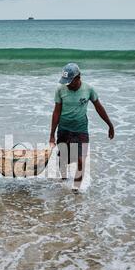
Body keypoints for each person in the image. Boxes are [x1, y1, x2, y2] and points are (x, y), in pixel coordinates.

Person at [49, 63, 114, 191]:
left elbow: (99, 107)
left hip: (81, 130)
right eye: (65, 82)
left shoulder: (88, 89)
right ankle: (64, 182)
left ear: (78, 77)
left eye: (70, 82)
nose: (67, 84)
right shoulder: (60, 89)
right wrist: (52, 135)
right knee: (63, 159)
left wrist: (110, 124)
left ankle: (76, 191)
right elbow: (56, 112)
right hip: (64, 129)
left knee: (80, 160)